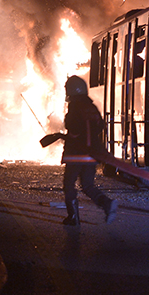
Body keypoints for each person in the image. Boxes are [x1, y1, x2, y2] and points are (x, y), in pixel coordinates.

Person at [60, 76, 118, 226]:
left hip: (76, 153)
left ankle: (73, 217)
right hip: (92, 153)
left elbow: (71, 126)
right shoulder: (91, 107)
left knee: (69, 184)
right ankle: (107, 204)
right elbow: (100, 126)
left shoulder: (74, 106)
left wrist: (72, 134)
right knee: (87, 185)